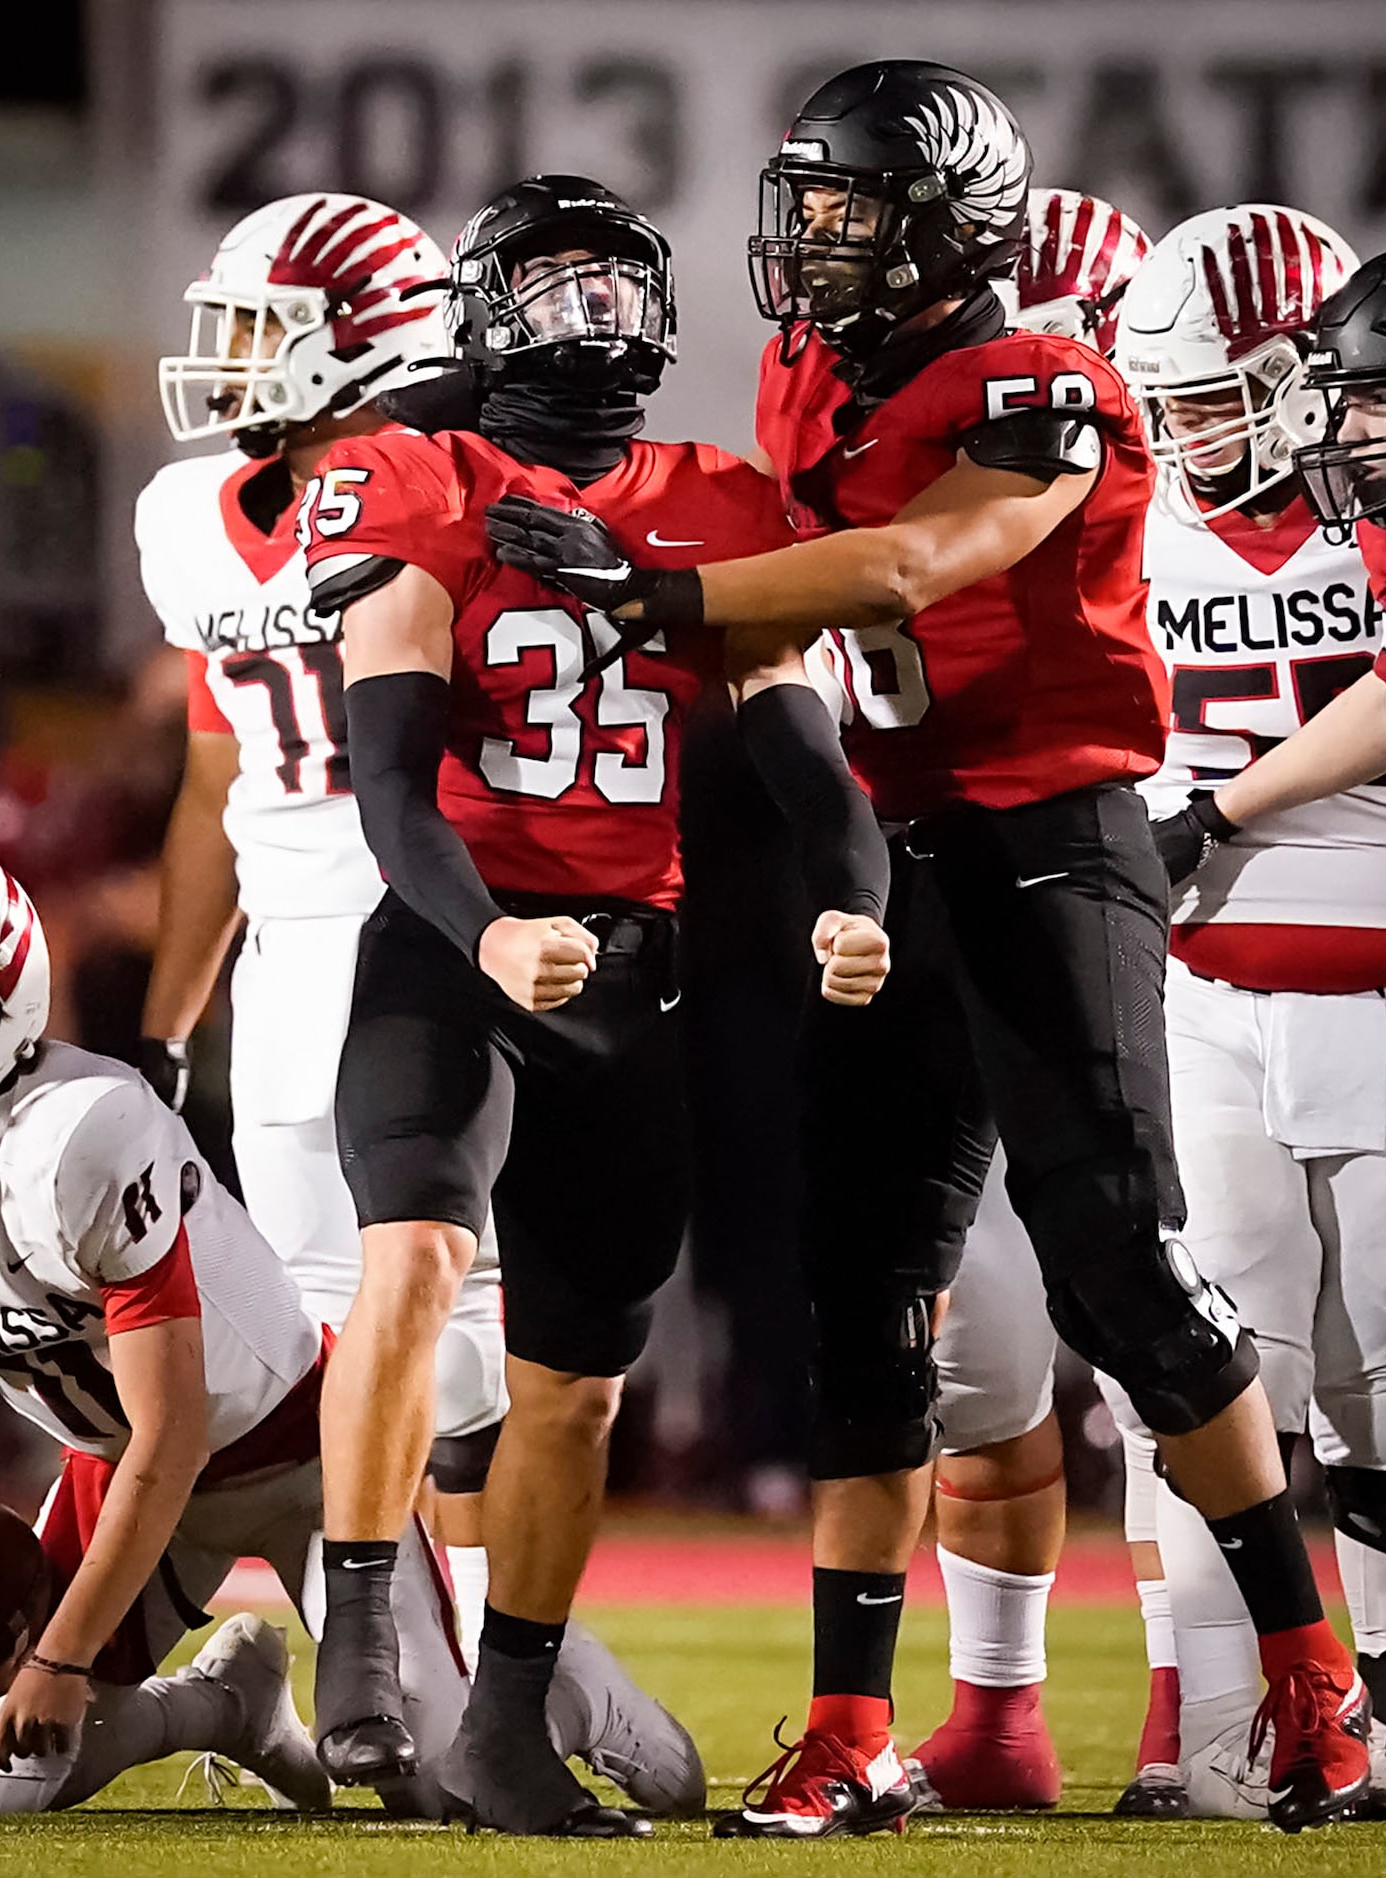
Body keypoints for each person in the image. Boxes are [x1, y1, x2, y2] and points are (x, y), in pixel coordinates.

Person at [489, 64, 1373, 1837]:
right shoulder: (812, 364)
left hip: (1049, 843)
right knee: (857, 1301)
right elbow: (802, 592)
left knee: (1115, 1262)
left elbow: (905, 564)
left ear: (943, 224)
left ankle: (1308, 1671)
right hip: (880, 857)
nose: (805, 238)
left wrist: (642, 590)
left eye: (841, 208)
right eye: (803, 202)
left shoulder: (1047, 377)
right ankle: (846, 1727)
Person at [300, 174, 890, 1836]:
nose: (595, 318)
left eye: (618, 285)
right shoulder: (416, 472)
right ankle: (358, 1638)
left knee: (577, 1378)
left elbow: (793, 729)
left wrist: (853, 885)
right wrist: (486, 938)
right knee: (408, 1254)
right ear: (485, 313)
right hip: (448, 941)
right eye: (556, 287)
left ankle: (497, 1726)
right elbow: (391, 785)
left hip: (631, 964)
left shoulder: (716, 493)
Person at [0, 844, 697, 1818]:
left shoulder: (81, 1134)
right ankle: (229, 1710)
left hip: (304, 1456)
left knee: (434, 1782)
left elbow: (174, 1433)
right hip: (125, 1470)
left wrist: (61, 1653)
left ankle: (574, 1687)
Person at [1163, 237, 1386, 1835]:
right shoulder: (1130, 508)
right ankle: (1240, 1725)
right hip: (1213, 976)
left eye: (1225, 395)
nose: (1193, 433)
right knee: (1222, 1355)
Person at [137, 193, 508, 1655]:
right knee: (321, 1356)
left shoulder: (458, 487)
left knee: (466, 1345)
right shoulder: (185, 515)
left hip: (440, 932)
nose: (226, 360)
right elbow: (212, 778)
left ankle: (485, 1668)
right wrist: (169, 1022)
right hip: (289, 959)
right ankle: (412, 1670)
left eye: (259, 331)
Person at [905, 186, 1151, 1818]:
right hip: (960, 922)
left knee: (1170, 1347)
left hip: (1137, 937)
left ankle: (1225, 1701)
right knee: (967, 1357)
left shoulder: (1190, 499)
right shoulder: (920, 459)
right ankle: (992, 1711)